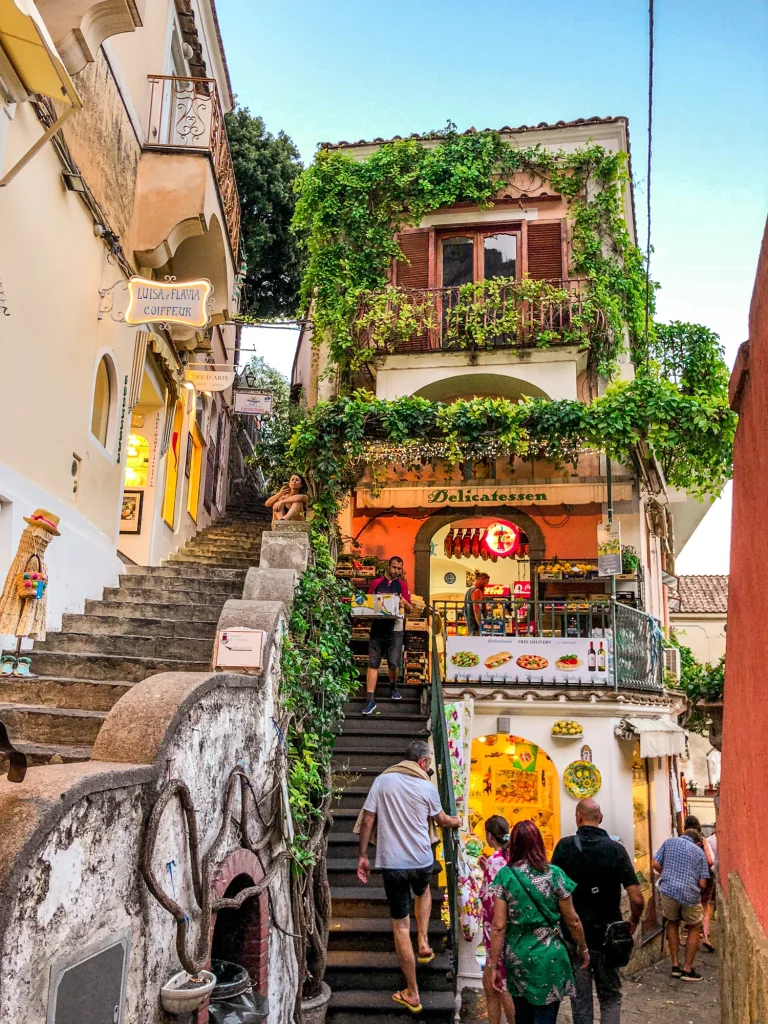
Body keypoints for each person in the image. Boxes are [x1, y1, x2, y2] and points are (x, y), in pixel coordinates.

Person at [356, 739, 461, 1015]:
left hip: (393, 865)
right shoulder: (426, 787)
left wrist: (363, 856)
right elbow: (442, 821)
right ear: (424, 762)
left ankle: (412, 992)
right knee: (423, 891)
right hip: (422, 860)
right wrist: (457, 821)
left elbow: (367, 820)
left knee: (401, 926)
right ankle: (424, 940)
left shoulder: (382, 782)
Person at [551, 798, 645, 1024]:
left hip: (576, 937)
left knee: (581, 999)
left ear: (578, 817)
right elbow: (637, 898)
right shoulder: (617, 850)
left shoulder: (564, 847)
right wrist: (632, 920)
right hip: (608, 936)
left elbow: (552, 890)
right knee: (610, 996)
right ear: (600, 819)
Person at [487, 819, 589, 1024]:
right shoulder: (554, 874)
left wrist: (494, 965)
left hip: (518, 957)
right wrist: (582, 948)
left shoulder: (505, 876)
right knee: (546, 1016)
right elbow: (573, 920)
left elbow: (498, 926)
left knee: (522, 1016)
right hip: (549, 957)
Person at [652, 828, 710, 981]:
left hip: (668, 890)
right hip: (689, 894)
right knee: (694, 926)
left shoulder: (669, 842)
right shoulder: (699, 853)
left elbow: (655, 863)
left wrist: (667, 873)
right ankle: (687, 969)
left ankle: (675, 965)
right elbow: (703, 883)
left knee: (672, 922)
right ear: (697, 842)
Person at [363, 556, 413, 715]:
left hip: (395, 629)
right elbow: (368, 602)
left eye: (399, 569)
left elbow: (411, 609)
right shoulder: (377, 583)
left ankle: (393, 685)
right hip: (377, 628)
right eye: (394, 568)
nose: (396, 571)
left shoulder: (402, 585)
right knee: (373, 662)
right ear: (388, 566)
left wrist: (405, 603)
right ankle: (370, 699)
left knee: (393, 663)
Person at [478, 815, 516, 1024]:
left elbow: (490, 898)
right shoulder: (512, 858)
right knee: (490, 984)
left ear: (490, 836)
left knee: (500, 985)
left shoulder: (495, 861)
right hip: (510, 930)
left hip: (496, 931)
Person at [684, 816, 716, 952]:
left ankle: (689, 938)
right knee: (705, 907)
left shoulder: (682, 840)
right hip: (704, 879)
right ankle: (705, 938)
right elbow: (710, 860)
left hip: (688, 879)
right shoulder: (702, 841)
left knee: (690, 908)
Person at [464, 571, 490, 635]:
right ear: (482, 580)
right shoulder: (477, 591)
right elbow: (476, 609)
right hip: (476, 628)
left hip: (471, 626)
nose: (486, 585)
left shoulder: (469, 591)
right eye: (486, 582)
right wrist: (481, 625)